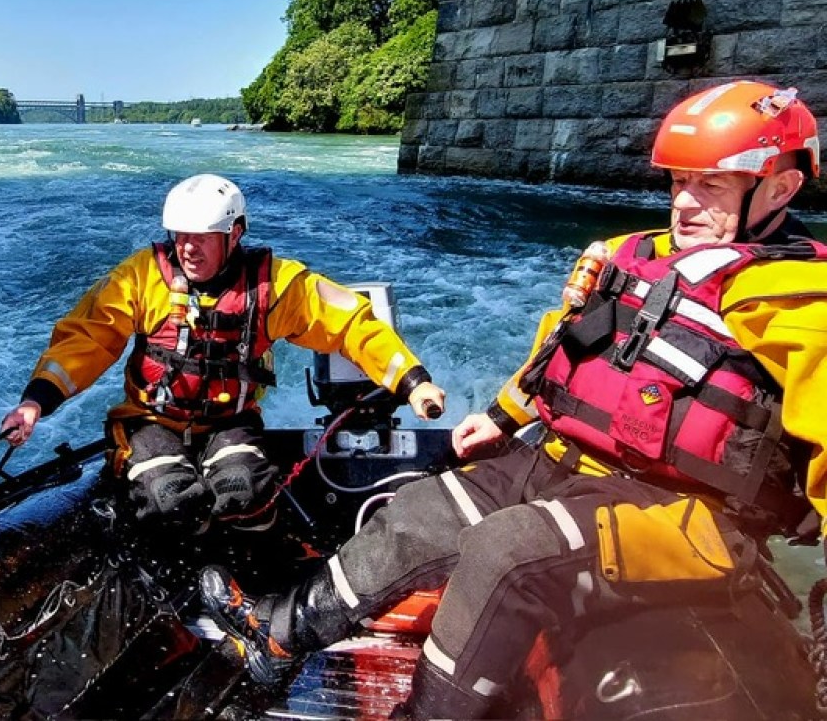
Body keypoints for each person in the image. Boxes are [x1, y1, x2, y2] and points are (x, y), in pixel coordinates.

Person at [201, 80, 827, 717]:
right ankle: (278, 634)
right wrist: (503, 417)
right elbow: (562, 350)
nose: (684, 204)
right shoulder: (630, 256)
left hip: (693, 514)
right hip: (571, 463)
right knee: (422, 509)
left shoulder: (801, 305)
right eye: (676, 182)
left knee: (505, 552)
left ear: (780, 186)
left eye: (711, 186)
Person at [0, 173, 446, 533]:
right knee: (167, 497)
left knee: (242, 490)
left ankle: (250, 578)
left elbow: (349, 324)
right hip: (151, 421)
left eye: (203, 236)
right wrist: (37, 400)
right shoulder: (138, 277)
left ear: (234, 234)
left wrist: (412, 381)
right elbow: (87, 338)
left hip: (229, 422)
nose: (188, 247)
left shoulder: (275, 284)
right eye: (180, 236)